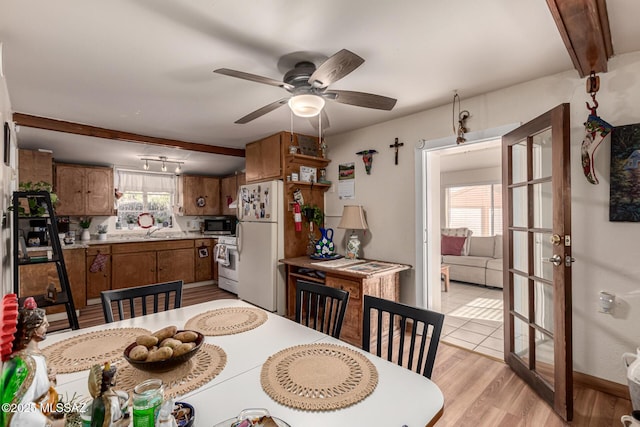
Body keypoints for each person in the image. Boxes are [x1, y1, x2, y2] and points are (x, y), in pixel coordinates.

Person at [0, 296, 65, 427]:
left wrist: (49, 375)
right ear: (34, 330)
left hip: (44, 410)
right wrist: (49, 424)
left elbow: (38, 384)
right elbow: (20, 410)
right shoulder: (25, 365)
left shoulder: (35, 357)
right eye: (44, 323)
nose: (48, 325)